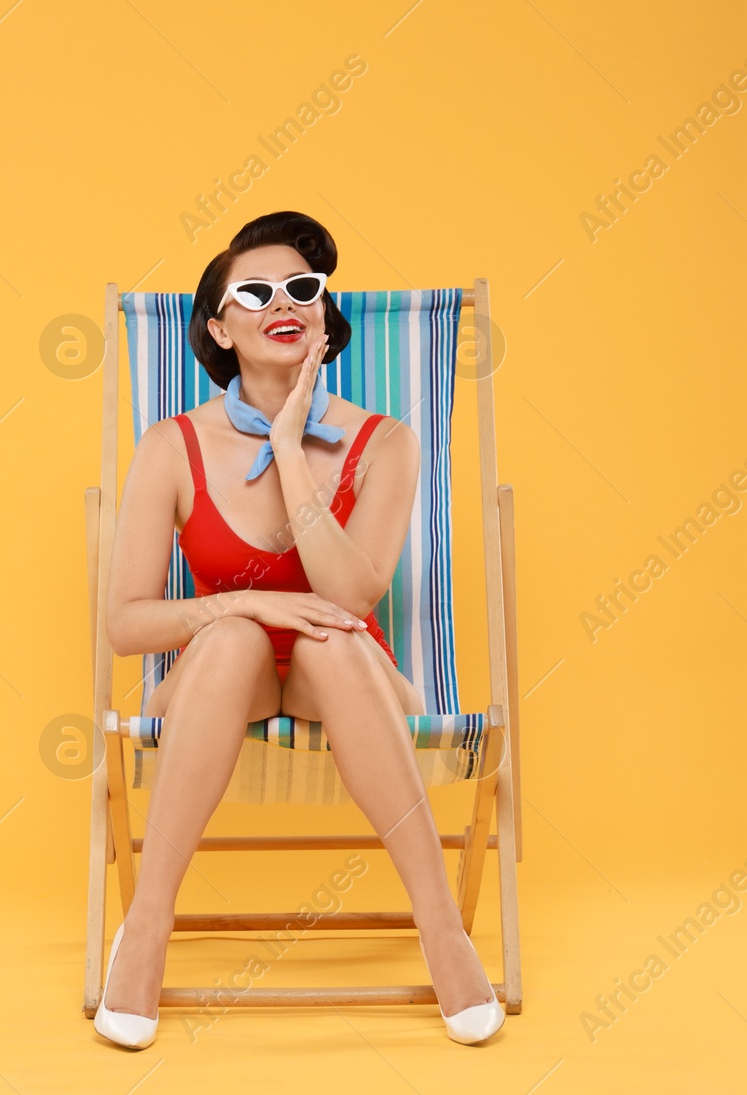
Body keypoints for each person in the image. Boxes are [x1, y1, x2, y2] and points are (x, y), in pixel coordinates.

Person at [96, 211, 502, 1048]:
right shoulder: (171, 446)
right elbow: (126, 624)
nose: (284, 302)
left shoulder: (385, 441)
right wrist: (242, 605)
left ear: (323, 314)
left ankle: (443, 928)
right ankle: (144, 928)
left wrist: (288, 445)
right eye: (255, 291)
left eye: (303, 288)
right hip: (218, 674)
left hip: (343, 667)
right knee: (238, 639)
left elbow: (352, 596)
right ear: (218, 326)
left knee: (330, 637)